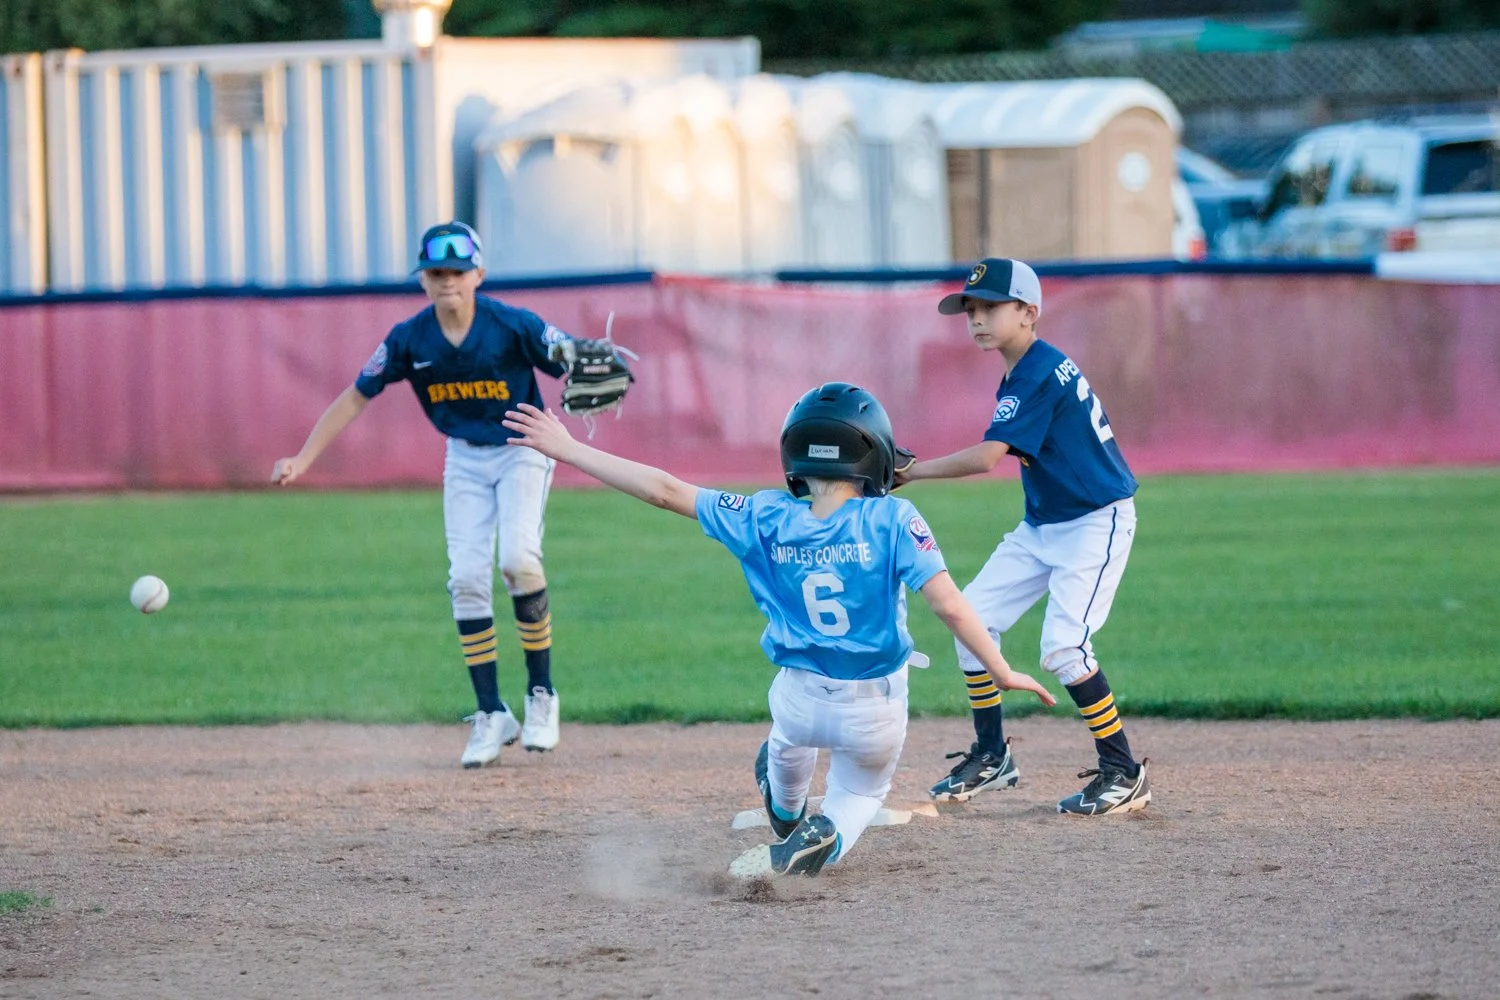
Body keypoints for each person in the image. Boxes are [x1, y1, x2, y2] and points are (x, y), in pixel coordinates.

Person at [502, 383, 1056, 877]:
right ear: (876, 455)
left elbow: (664, 489)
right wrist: (1001, 670)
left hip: (800, 697)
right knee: (861, 793)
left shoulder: (763, 514)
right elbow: (953, 608)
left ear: (796, 456)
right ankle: (826, 836)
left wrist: (568, 448)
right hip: (875, 708)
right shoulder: (894, 518)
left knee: (787, 741)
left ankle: (788, 816)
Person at [271, 221, 577, 769]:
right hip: (464, 456)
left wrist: (588, 362)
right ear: (423, 280)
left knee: (517, 560)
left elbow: (570, 356)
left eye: (458, 272)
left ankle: (542, 696)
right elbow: (354, 397)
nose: (447, 281)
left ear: (478, 274)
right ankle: (491, 712)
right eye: (436, 272)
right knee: (464, 579)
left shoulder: (511, 324)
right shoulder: (410, 339)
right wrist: (303, 457)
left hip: (523, 445)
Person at [896, 257, 1151, 816]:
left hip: (1095, 522)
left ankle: (1123, 771)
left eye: (991, 306)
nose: (977, 318)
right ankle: (992, 757)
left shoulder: (1036, 372)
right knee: (970, 623)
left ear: (1029, 312)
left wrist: (912, 471)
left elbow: (989, 457)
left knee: (1064, 647)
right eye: (971, 309)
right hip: (1044, 525)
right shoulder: (1027, 367)